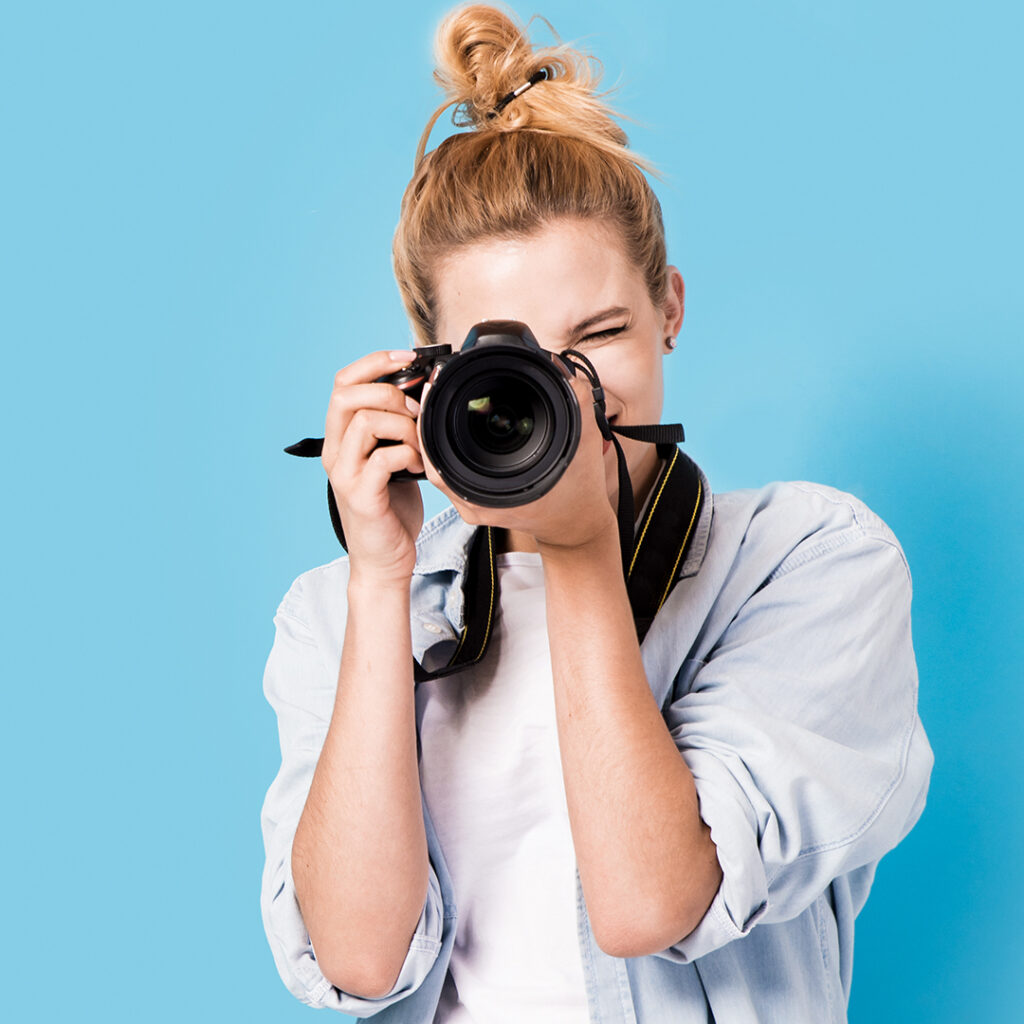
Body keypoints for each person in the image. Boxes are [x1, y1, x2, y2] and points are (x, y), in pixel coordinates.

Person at [259, 4, 933, 1021]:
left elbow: (651, 904)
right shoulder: (336, 613)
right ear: (432, 361)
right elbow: (357, 961)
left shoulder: (806, 562)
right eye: (518, 358)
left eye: (601, 333)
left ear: (669, 307)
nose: (567, 392)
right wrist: (379, 577)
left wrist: (577, 547)